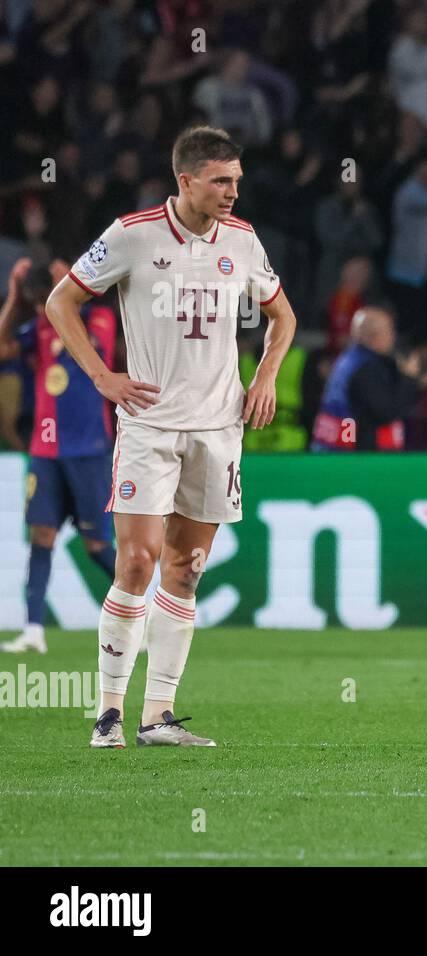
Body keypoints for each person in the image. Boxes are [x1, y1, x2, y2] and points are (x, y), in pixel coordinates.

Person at [46, 126, 298, 748]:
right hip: (149, 425)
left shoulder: (242, 241)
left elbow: (283, 316)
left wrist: (263, 378)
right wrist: (103, 376)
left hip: (219, 427)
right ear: (185, 180)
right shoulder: (132, 234)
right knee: (136, 561)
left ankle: (158, 715)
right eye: (221, 180)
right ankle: (106, 713)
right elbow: (60, 303)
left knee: (185, 569)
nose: (233, 192)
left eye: (237, 180)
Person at [0, 259, 117, 654]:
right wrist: (16, 295)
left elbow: (93, 347)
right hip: (46, 449)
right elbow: (2, 348)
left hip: (89, 449)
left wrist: (64, 290)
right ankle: (34, 629)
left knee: (97, 546)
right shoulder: (38, 327)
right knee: (41, 536)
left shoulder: (99, 316)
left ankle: (146, 612)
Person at [311, 306, 427, 451]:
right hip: (352, 458)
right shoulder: (365, 368)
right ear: (373, 336)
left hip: (333, 450)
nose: (393, 336)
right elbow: (386, 411)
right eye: (389, 330)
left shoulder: (349, 359)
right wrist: (409, 379)